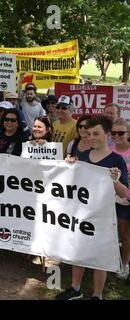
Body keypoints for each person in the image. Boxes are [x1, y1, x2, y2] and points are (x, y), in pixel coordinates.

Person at [58, 115, 128, 300]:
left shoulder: (117, 160)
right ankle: (75, 288)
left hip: (104, 217)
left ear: (107, 135)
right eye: (89, 134)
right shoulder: (81, 156)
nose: (92, 137)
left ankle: (97, 295)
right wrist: (69, 167)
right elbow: (72, 183)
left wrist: (115, 181)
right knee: (78, 251)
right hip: (81, 214)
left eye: (96, 133)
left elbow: (124, 193)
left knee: (100, 256)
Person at [110, 118, 130, 280]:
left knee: (125, 235)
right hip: (108, 199)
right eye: (113, 132)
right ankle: (108, 260)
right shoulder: (108, 149)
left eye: (121, 133)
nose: (116, 135)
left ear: (128, 133)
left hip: (126, 200)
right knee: (111, 233)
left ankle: (124, 265)